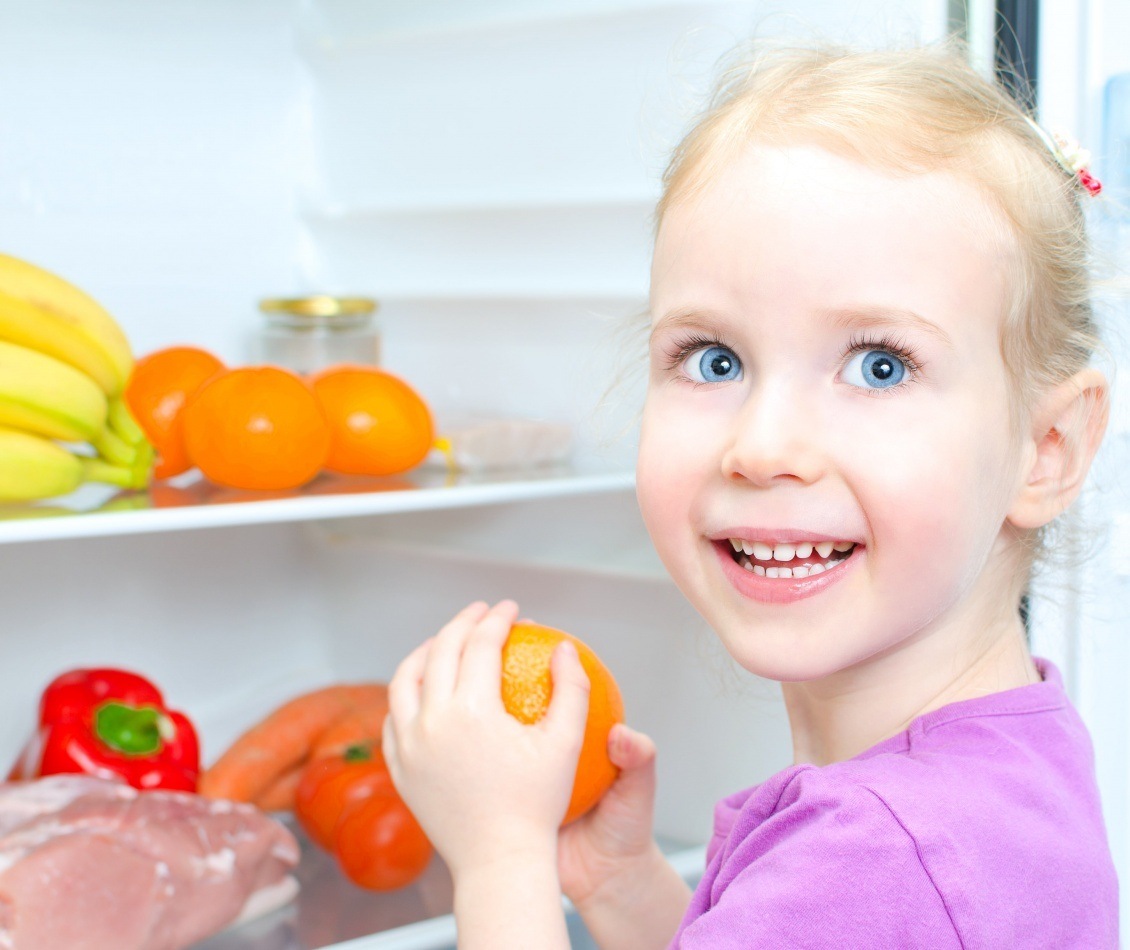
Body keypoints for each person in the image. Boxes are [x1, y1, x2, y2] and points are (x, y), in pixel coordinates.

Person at [381, 42, 1119, 948]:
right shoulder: (999, 763)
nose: (763, 448)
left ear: (1046, 450)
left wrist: (499, 858)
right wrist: (622, 886)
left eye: (880, 366)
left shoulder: (878, 855)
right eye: (714, 360)